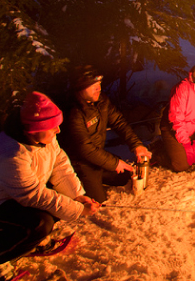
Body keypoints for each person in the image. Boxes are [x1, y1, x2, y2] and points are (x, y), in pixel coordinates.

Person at [0, 91, 100, 281]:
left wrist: (76, 196)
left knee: (58, 205)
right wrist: (77, 209)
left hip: (15, 195)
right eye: (53, 127)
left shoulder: (45, 139)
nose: (58, 130)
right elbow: (35, 196)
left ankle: (30, 241)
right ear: (34, 129)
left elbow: (60, 165)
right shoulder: (9, 154)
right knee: (40, 223)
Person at [60, 65, 151, 203]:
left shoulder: (101, 101)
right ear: (80, 88)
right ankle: (78, 181)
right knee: (98, 201)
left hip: (97, 157)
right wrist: (114, 163)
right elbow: (85, 148)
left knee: (125, 176)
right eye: (93, 86)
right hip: (80, 163)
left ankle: (100, 175)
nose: (98, 88)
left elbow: (119, 122)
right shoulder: (74, 112)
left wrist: (136, 145)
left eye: (99, 84)